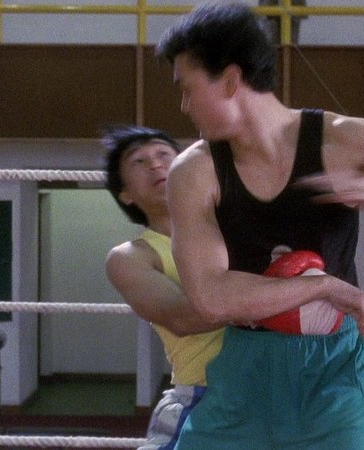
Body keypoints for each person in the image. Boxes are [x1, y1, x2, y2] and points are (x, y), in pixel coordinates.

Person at [156, 3, 364, 449]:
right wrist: (324, 287)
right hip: (245, 368)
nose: (183, 106)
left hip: (336, 371)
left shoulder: (345, 139)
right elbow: (211, 298)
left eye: (188, 89)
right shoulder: (194, 171)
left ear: (231, 81)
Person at [103, 125, 226, 450]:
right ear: (126, 194)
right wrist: (280, 291)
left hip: (280, 387)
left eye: (163, 154)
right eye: (139, 161)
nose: (156, 164)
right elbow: (185, 318)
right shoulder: (131, 257)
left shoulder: (236, 227)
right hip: (204, 391)